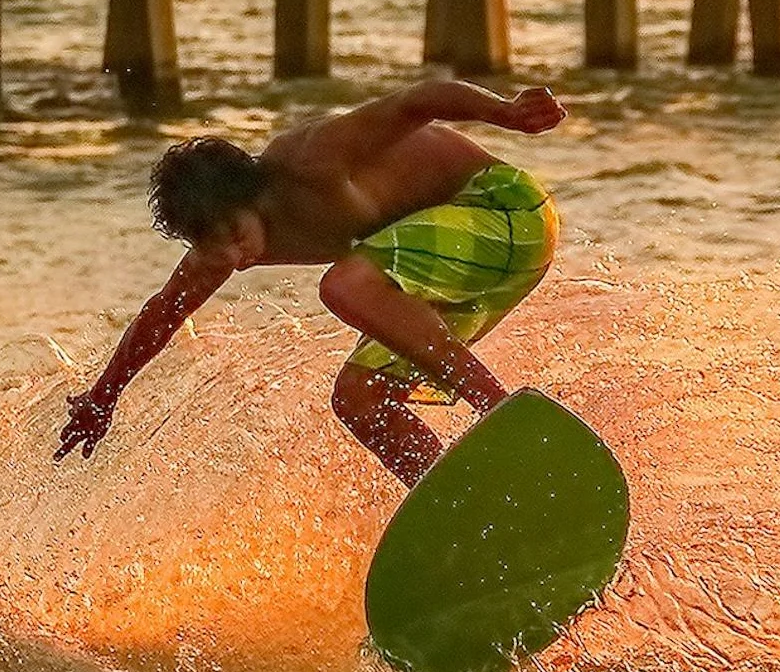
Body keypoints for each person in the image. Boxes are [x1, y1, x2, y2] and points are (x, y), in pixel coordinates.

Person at [55, 82, 571, 484]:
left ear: (252, 194)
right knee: (357, 398)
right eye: (217, 249)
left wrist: (505, 112)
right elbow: (163, 312)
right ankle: (465, 497)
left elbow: (418, 101)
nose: (235, 259)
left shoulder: (312, 158)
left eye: (235, 235)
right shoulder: (221, 248)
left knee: (344, 286)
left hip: (507, 214)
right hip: (462, 267)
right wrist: (105, 397)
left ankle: (503, 415)